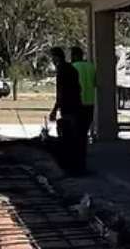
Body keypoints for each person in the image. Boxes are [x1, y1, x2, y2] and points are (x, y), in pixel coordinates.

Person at [47, 48, 83, 176]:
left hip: (68, 107)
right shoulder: (72, 69)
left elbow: (61, 93)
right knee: (75, 138)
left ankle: (69, 168)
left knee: (66, 139)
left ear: (57, 57)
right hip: (76, 105)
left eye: (52, 57)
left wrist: (54, 110)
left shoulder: (62, 71)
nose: (52, 60)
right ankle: (76, 167)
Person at [70, 46, 97, 144]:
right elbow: (95, 83)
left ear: (75, 56)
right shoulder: (91, 67)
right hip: (90, 101)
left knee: (76, 126)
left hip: (77, 101)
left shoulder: (72, 68)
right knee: (85, 126)